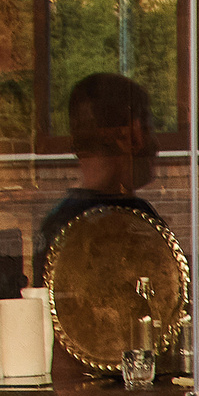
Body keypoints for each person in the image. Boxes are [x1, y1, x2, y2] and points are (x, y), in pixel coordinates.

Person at [33, 73, 164, 273]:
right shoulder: (138, 220)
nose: (156, 146)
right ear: (131, 134)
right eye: (148, 128)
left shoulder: (58, 222)